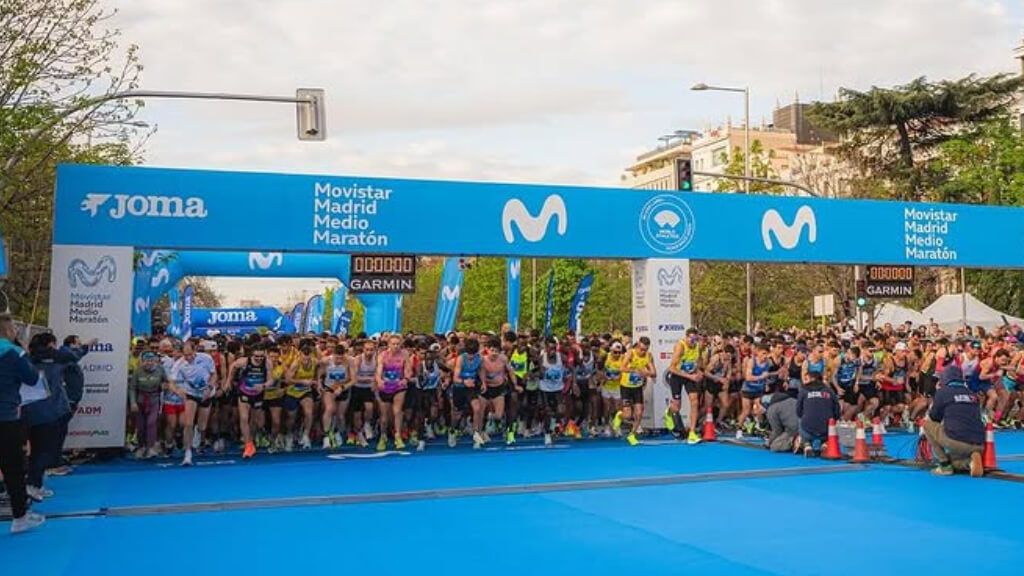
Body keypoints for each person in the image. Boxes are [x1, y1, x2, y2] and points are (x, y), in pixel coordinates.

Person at [0, 315, 45, 533]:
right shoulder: (13, 352)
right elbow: (33, 378)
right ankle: (20, 517)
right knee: (13, 469)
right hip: (6, 417)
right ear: (8, 330)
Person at [24, 333, 72, 503]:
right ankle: (32, 484)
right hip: (50, 412)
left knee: (38, 450)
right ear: (51, 344)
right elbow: (73, 355)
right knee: (46, 452)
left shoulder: (28, 360)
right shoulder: (56, 361)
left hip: (32, 411)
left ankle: (36, 483)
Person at [923, 364, 985, 477]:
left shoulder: (943, 392)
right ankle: (969, 463)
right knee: (954, 460)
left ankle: (944, 465)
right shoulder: (972, 394)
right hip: (980, 443)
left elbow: (934, 418)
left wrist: (938, 393)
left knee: (926, 425)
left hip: (957, 441)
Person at [169, 342, 219, 466]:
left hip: (206, 393)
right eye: (185, 355)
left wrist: (209, 387)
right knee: (188, 423)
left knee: (202, 426)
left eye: (190, 354)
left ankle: (198, 432)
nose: (188, 357)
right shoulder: (179, 364)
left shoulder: (206, 358)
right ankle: (187, 453)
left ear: (195, 350)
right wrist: (178, 391)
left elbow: (214, 375)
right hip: (190, 393)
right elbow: (171, 383)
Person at [228, 344, 272, 458]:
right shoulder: (244, 361)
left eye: (261, 356)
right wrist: (229, 380)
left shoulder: (267, 363)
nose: (259, 359)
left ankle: (250, 441)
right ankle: (248, 444)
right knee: (244, 418)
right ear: (252, 354)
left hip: (258, 394)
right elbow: (233, 366)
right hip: (244, 392)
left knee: (254, 420)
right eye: (256, 356)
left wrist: (263, 386)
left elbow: (271, 380)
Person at [615, 336, 655, 446]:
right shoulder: (630, 353)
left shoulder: (648, 356)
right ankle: (619, 415)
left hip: (637, 387)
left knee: (639, 412)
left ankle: (632, 434)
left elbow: (653, 373)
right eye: (641, 349)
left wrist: (645, 373)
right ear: (637, 345)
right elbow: (622, 368)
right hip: (626, 386)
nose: (643, 352)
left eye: (645, 349)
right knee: (628, 415)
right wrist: (634, 370)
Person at [666, 328, 704, 444]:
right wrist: (689, 376)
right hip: (677, 376)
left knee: (695, 401)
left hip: (690, 376)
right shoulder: (680, 346)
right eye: (691, 339)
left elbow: (699, 361)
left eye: (695, 340)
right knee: (677, 406)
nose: (693, 342)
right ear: (686, 337)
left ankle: (692, 433)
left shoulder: (697, 346)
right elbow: (672, 368)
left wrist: (699, 371)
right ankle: (669, 412)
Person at [128, 351, 169, 458]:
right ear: (142, 362)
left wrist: (164, 385)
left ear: (155, 361)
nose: (149, 363)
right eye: (146, 361)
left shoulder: (160, 369)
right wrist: (133, 402)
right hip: (140, 400)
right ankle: (141, 446)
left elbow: (167, 382)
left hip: (154, 399)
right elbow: (132, 388)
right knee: (141, 425)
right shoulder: (138, 371)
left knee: (151, 423)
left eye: (151, 361)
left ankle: (151, 447)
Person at [375, 335, 411, 451]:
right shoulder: (382, 355)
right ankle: (383, 436)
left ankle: (398, 436)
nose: (396, 346)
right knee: (384, 417)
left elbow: (408, 369)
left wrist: (406, 379)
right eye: (393, 344)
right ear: (389, 344)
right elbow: (379, 370)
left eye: (398, 344)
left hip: (399, 386)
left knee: (397, 411)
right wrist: (379, 380)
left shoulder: (404, 354)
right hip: (385, 386)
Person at [284, 343, 319, 451]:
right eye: (304, 358)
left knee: (309, 412)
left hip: (305, 392)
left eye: (308, 358)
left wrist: (317, 383)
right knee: (291, 417)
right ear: (300, 355)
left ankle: (305, 435)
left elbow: (320, 370)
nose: (306, 360)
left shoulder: (314, 362)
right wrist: (302, 381)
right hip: (292, 392)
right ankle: (289, 435)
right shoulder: (295, 364)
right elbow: (288, 380)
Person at [796, 373, 839, 457]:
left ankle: (807, 445)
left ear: (812, 379)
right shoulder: (829, 390)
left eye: (806, 379)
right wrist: (835, 419)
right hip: (827, 429)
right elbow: (837, 408)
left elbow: (798, 411)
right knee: (831, 424)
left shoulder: (803, 391)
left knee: (801, 419)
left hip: (808, 429)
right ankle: (825, 444)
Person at [321, 344, 354, 449]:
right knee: (330, 409)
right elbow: (318, 375)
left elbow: (354, 380)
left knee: (340, 415)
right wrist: (319, 385)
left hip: (343, 389)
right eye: (337, 358)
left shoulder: (349, 361)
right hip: (329, 388)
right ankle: (326, 436)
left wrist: (342, 387)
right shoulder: (326, 361)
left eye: (341, 358)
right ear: (333, 355)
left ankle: (336, 432)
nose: (339, 360)